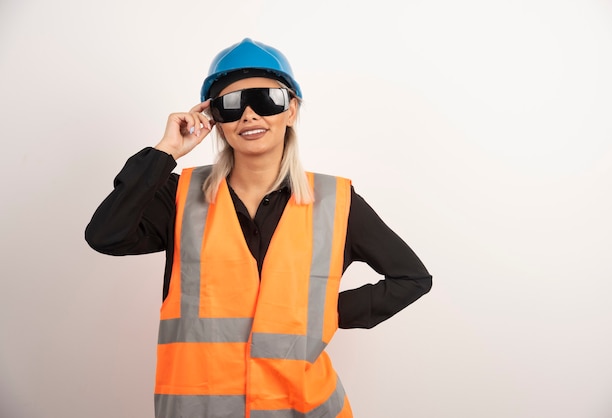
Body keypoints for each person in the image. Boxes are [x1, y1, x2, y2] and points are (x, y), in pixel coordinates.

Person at [85, 38, 432, 418]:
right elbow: (106, 235)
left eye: (267, 100)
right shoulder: (178, 196)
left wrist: (325, 312)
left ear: (291, 110)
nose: (249, 115)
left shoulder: (337, 201)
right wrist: (165, 152)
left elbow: (411, 278)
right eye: (231, 106)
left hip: (306, 408)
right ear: (215, 121)